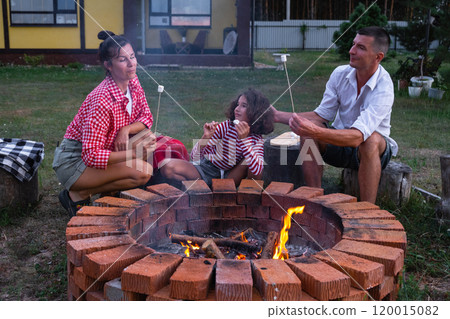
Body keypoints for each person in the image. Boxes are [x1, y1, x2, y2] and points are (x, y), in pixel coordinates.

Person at [272, 26, 397, 204]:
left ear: (378, 57)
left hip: (371, 152)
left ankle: (368, 210)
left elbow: (357, 137)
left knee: (370, 141)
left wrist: (316, 131)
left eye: (361, 48)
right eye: (353, 44)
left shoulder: (384, 86)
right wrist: (277, 115)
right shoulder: (340, 74)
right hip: (339, 145)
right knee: (307, 132)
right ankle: (315, 201)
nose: (351, 51)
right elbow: (321, 116)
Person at [53, 31, 156, 216]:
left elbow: (147, 116)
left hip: (102, 151)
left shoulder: (132, 81)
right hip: (74, 162)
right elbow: (91, 155)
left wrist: (126, 129)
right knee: (142, 170)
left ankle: (103, 194)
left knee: (146, 138)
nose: (132, 63)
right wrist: (131, 153)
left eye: (132, 56)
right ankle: (78, 192)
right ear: (108, 65)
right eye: (123, 60)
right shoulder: (102, 100)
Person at [160, 88, 274, 187]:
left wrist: (244, 141)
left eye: (243, 106)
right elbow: (194, 157)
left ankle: (214, 189)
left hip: (229, 177)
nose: (237, 109)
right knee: (167, 167)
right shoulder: (226, 127)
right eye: (237, 104)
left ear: (255, 112)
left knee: (251, 161)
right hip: (207, 169)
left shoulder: (257, 139)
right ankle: (202, 191)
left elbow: (257, 174)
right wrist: (206, 137)